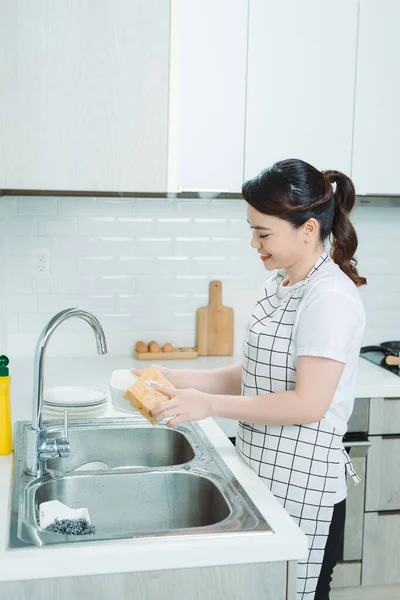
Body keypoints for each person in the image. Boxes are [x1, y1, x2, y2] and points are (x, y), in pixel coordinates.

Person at [132, 158, 366, 600]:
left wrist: (209, 405)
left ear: (308, 229)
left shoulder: (330, 297)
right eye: (252, 230)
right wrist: (176, 378)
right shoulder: (280, 284)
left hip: (305, 488)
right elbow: (257, 374)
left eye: (263, 233)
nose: (253, 243)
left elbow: (307, 404)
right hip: (264, 476)